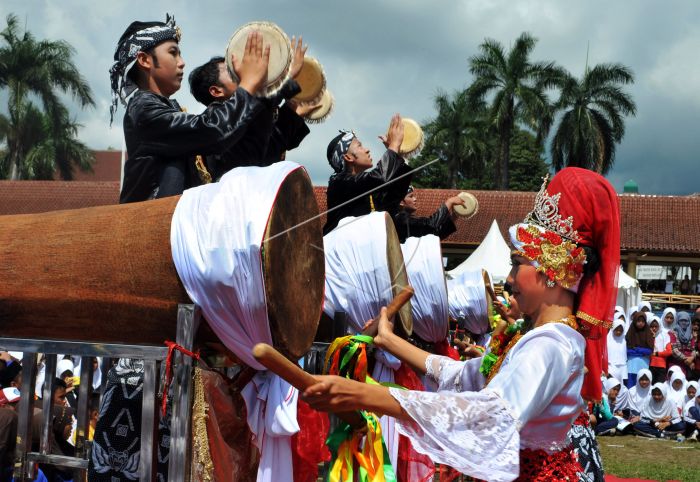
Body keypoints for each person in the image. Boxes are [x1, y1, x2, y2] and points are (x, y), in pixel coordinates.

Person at [303, 167, 620, 481]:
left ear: (553, 270)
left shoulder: (551, 346)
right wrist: (390, 341)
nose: (508, 280)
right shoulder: (541, 339)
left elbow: (492, 414)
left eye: (517, 264)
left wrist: (369, 396)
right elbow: (462, 375)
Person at [112, 15, 270, 203]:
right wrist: (248, 86)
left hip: (174, 225)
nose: (181, 62)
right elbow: (212, 130)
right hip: (150, 226)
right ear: (145, 60)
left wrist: (273, 95)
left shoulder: (170, 111)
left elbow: (236, 155)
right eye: (173, 53)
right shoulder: (144, 110)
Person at [188, 38, 316, 176]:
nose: (243, 72)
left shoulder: (248, 118)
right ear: (217, 91)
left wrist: (292, 113)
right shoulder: (215, 121)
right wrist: (286, 78)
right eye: (232, 71)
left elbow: (268, 153)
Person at [322, 115, 413, 234]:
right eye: (360, 145)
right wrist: (393, 146)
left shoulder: (364, 189)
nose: (367, 150)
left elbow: (393, 197)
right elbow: (381, 177)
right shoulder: (339, 183)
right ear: (348, 157)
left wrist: (399, 155)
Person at [392, 185, 465, 242]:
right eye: (411, 196)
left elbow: (435, 235)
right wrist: (449, 202)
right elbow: (431, 224)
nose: (415, 199)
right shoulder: (400, 219)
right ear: (401, 202)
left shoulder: (406, 220)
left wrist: (454, 215)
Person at [625, 312, 654, 388]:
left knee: (642, 384)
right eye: (638, 321)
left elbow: (650, 350)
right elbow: (626, 350)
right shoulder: (630, 332)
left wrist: (637, 350)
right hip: (631, 364)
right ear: (634, 321)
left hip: (643, 363)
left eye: (643, 321)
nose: (640, 323)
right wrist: (641, 352)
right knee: (631, 385)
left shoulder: (648, 333)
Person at [669, 311, 696, 376]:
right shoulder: (672, 333)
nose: (684, 322)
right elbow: (674, 350)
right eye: (681, 320)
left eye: (686, 321)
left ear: (689, 322)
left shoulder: (691, 334)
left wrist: (692, 358)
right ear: (678, 321)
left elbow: (693, 349)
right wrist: (687, 360)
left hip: (689, 364)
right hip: (676, 363)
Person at [650, 316, 673, 384]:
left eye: (656, 326)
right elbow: (649, 349)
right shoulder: (648, 336)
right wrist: (653, 337)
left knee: (659, 386)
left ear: (659, 326)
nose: (654, 328)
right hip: (650, 365)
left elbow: (669, 352)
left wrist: (657, 354)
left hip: (661, 366)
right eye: (652, 326)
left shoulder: (665, 336)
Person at [607, 318, 628, 383]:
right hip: (610, 367)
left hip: (622, 367)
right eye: (616, 330)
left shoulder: (624, 341)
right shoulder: (607, 340)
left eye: (621, 330)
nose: (618, 332)